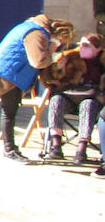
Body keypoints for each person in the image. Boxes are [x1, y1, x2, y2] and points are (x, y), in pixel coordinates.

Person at [0, 14, 75, 163]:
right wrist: (53, 52)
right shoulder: (37, 33)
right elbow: (38, 61)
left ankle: (9, 147)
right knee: (9, 113)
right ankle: (9, 149)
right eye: (61, 42)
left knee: (9, 112)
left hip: (10, 71)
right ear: (57, 35)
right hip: (10, 72)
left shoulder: (33, 27)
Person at [40, 32, 103, 164]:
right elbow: (50, 78)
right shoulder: (71, 58)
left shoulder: (102, 64)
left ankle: (81, 149)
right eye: (81, 44)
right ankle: (56, 146)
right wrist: (59, 69)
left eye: (86, 45)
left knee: (88, 104)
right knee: (56, 100)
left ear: (99, 49)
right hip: (70, 97)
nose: (81, 48)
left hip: (93, 100)